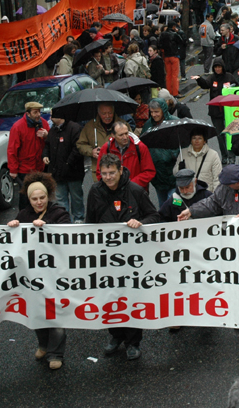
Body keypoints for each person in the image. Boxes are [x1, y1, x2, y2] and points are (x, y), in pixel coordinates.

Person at [177, 164, 239, 337]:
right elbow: (212, 203)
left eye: (229, 185)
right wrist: (191, 211)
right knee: (236, 281)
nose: (224, 188)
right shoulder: (225, 187)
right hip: (231, 244)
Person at [87, 153, 160, 360]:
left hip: (132, 258)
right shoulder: (94, 191)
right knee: (110, 297)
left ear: (120, 170)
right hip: (106, 256)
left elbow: (154, 216)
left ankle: (133, 341)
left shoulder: (135, 191)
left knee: (131, 297)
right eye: (104, 173)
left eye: (112, 173)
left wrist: (141, 222)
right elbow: (89, 223)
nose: (108, 177)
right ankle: (115, 336)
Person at [6, 173, 70, 370]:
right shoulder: (23, 216)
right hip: (33, 276)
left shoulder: (60, 213)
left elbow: (69, 238)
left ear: (48, 196)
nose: (39, 202)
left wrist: (48, 228)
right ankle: (43, 344)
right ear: (29, 199)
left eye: (42, 198)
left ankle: (55, 353)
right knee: (36, 312)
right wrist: (13, 228)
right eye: (34, 199)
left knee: (55, 313)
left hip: (56, 275)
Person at [193, 57, 237, 164]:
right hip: (215, 111)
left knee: (231, 133)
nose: (218, 69)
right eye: (216, 67)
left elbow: (237, 88)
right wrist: (199, 79)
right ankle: (224, 155)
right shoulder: (212, 78)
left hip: (228, 110)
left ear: (223, 67)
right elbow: (205, 85)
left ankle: (232, 155)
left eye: (219, 67)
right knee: (220, 135)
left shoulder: (229, 77)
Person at [43, 114, 85, 222]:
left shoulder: (74, 128)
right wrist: (45, 155)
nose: (50, 117)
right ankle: (64, 220)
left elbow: (78, 149)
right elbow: (47, 145)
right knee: (60, 200)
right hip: (57, 173)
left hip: (73, 173)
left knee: (76, 199)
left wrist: (67, 164)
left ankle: (78, 220)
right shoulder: (53, 130)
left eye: (52, 115)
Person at [7, 102, 49, 210]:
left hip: (40, 167)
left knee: (41, 196)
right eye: (35, 112)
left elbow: (50, 144)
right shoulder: (18, 127)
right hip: (25, 169)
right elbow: (12, 150)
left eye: (39, 112)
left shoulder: (44, 124)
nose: (38, 115)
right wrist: (13, 169)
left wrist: (46, 136)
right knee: (26, 197)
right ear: (28, 113)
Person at [95, 120, 156, 190]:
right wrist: (112, 186)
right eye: (121, 135)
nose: (125, 137)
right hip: (113, 192)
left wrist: (130, 185)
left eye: (126, 133)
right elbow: (99, 171)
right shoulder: (106, 148)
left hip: (135, 192)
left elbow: (149, 171)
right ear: (113, 135)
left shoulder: (140, 147)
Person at [141, 98, 179, 205]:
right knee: (163, 206)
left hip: (173, 173)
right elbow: (143, 145)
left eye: (156, 111)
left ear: (163, 110)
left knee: (173, 204)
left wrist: (172, 154)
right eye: (151, 112)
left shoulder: (174, 122)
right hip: (158, 176)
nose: (154, 115)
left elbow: (182, 143)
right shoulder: (148, 126)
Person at [77, 103, 126, 181]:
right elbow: (81, 144)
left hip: (119, 169)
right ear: (99, 113)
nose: (107, 116)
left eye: (110, 113)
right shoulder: (90, 126)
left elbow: (131, 143)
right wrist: (91, 151)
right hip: (99, 170)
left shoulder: (123, 125)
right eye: (104, 113)